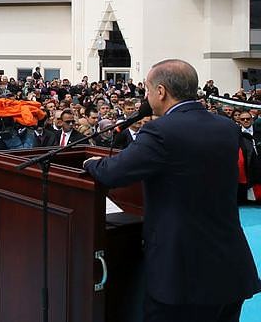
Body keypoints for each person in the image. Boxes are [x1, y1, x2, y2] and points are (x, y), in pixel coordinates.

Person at [84, 59, 261, 322]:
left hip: (183, 276)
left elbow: (114, 173)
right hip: (229, 267)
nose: (145, 96)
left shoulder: (160, 131)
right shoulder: (225, 127)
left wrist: (92, 163)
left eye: (146, 89)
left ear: (161, 91)